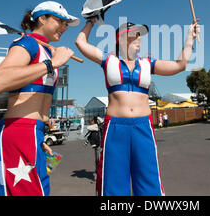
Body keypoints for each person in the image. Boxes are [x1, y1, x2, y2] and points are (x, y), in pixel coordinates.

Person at [76, 19, 199, 196]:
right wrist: (91, 21)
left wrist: (189, 38)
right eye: (135, 34)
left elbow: (180, 65)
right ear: (121, 39)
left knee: (149, 179)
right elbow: (80, 42)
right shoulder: (108, 60)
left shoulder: (148, 64)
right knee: (113, 181)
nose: (139, 38)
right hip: (115, 126)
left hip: (143, 126)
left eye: (140, 35)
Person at [0, 1, 78, 196]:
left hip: (33, 133)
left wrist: (39, 137)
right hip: (18, 130)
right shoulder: (28, 43)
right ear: (42, 18)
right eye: (60, 21)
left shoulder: (45, 49)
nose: (64, 27)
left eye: (66, 24)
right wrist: (51, 63)